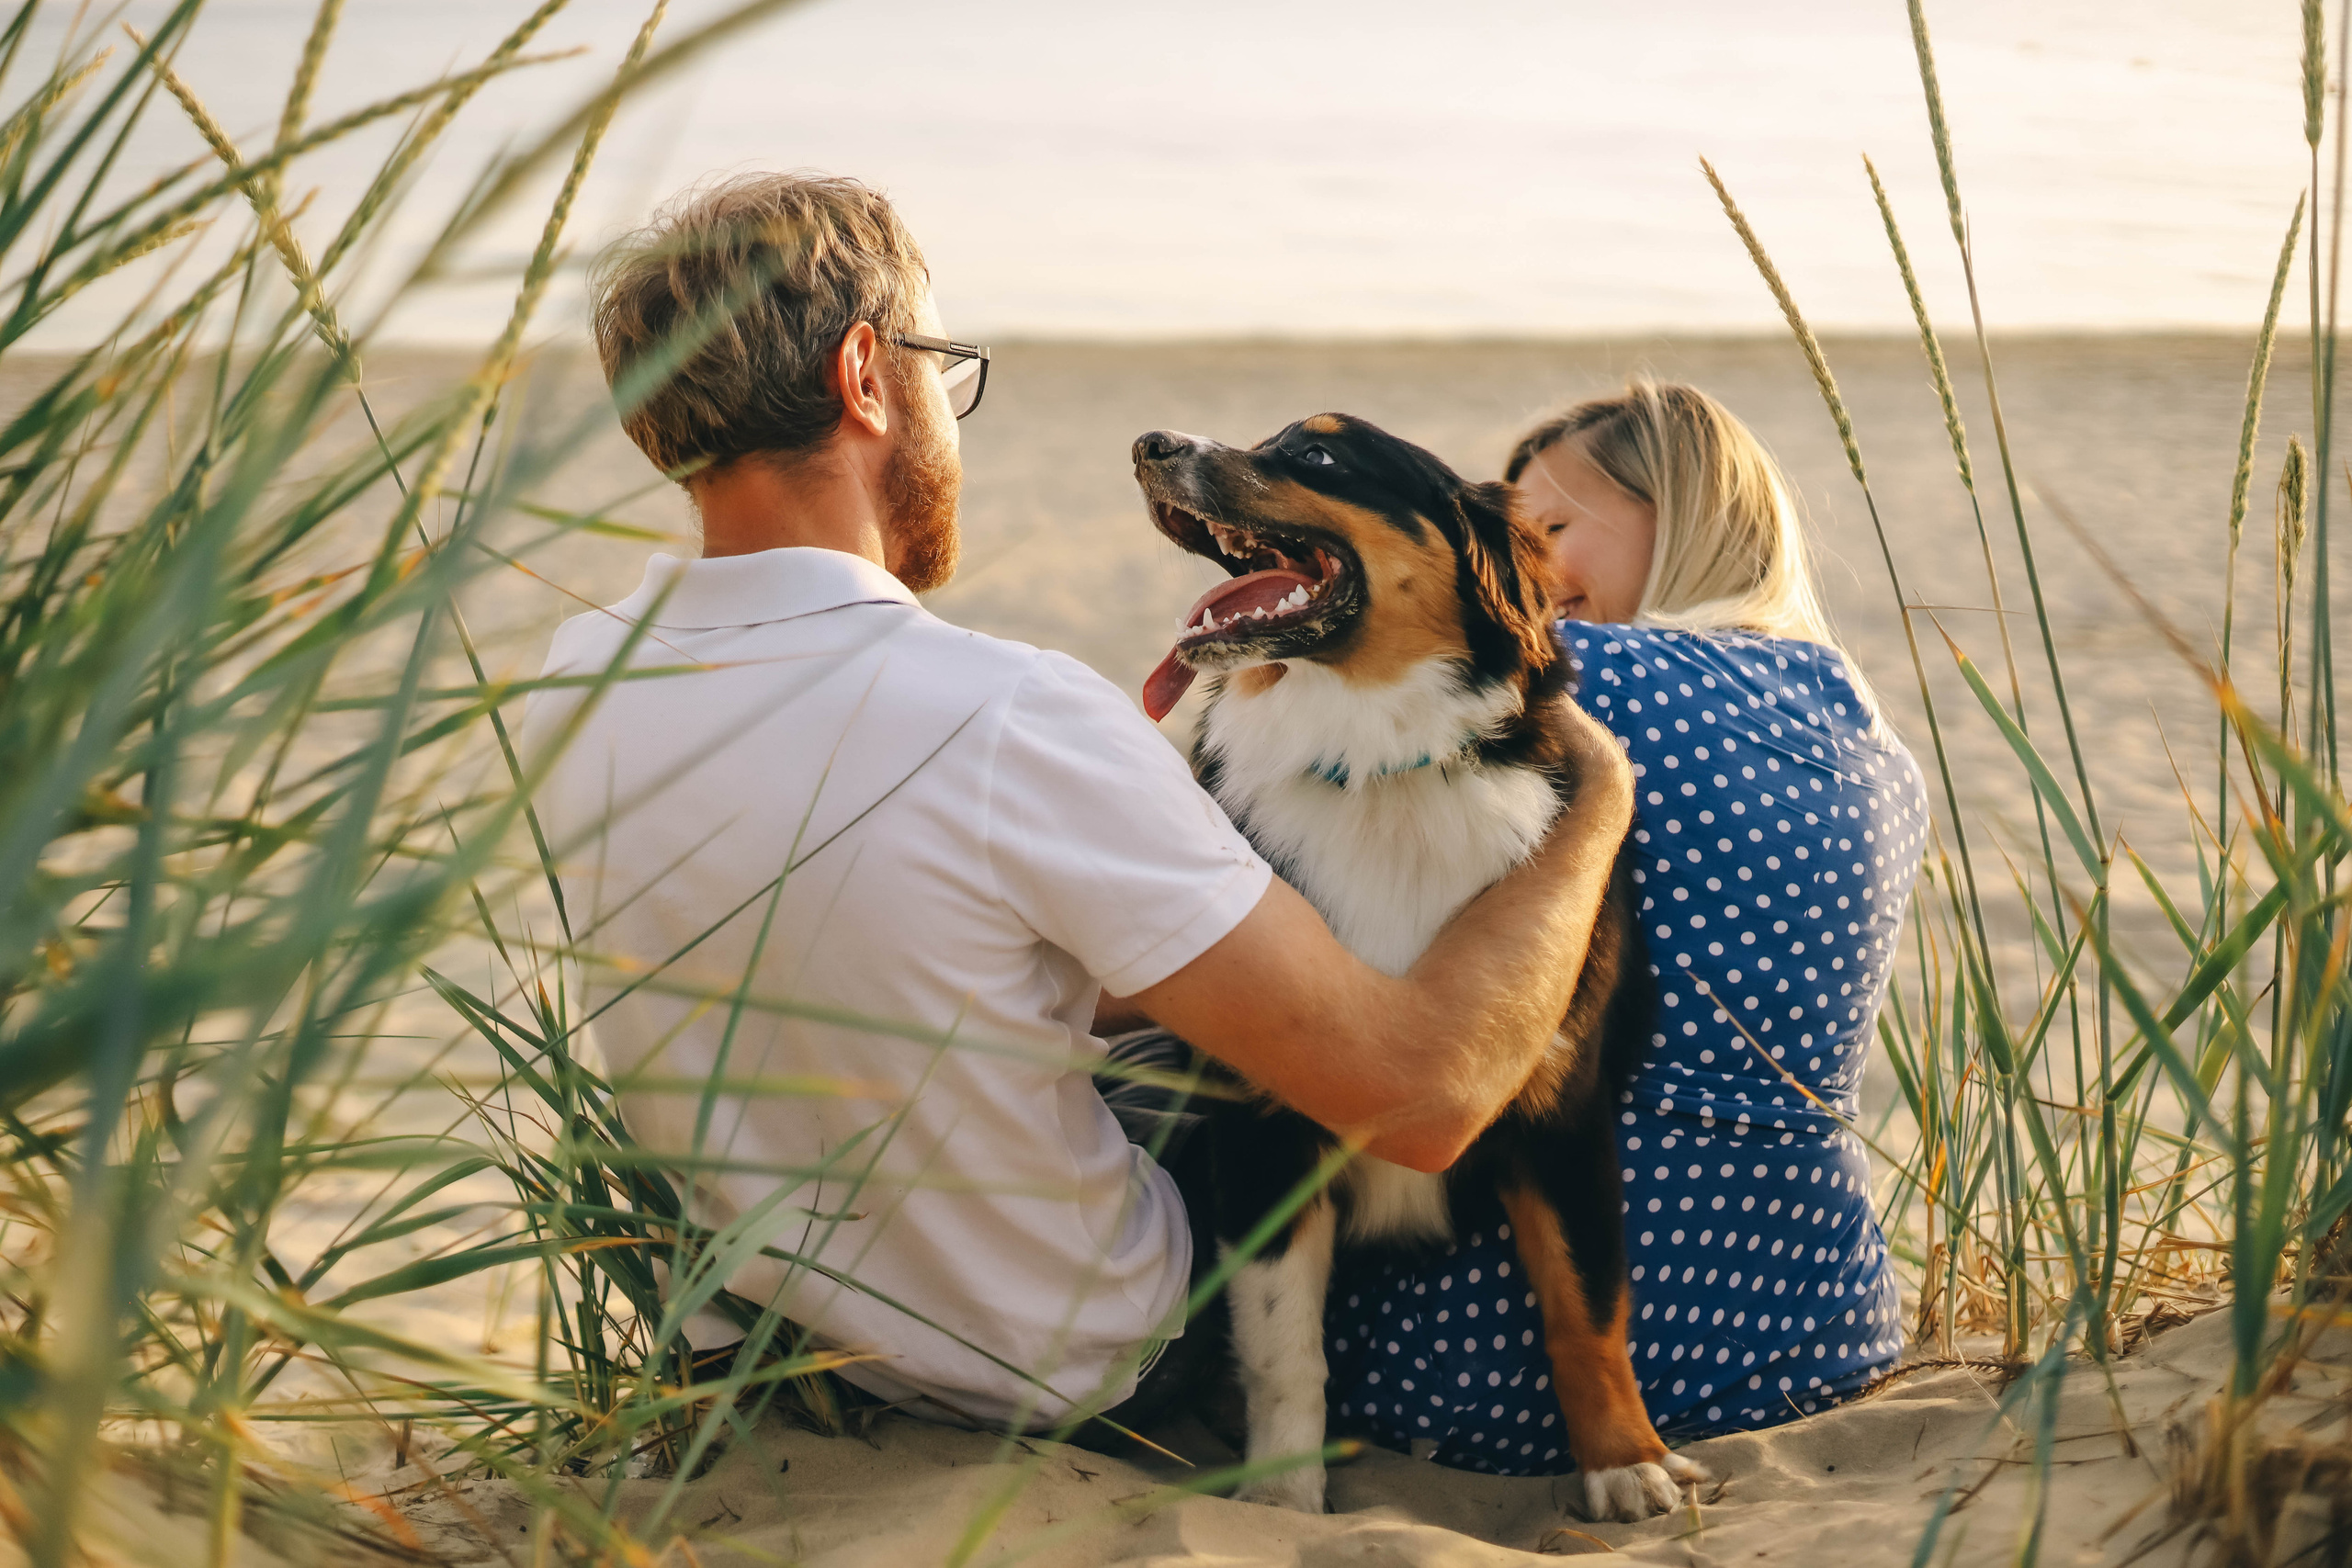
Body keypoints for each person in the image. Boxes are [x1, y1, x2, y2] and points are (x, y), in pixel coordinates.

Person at [518, 172, 1636, 1437]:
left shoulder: (575, 676)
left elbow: (902, 948)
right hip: (1076, 1363)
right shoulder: (1008, 713)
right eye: (946, 368)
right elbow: (1420, 1099)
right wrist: (1594, 803)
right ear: (867, 376)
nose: (954, 414)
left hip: (777, 1352)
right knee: (1272, 1074)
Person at [1321, 381, 1929, 1472]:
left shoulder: (1583, 677)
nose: (1528, 573)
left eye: (1550, 531)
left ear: (1685, 512)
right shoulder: (1880, 749)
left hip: (1495, 1375)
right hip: (1824, 1335)